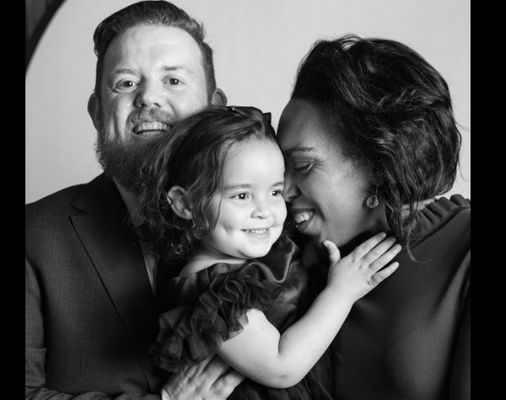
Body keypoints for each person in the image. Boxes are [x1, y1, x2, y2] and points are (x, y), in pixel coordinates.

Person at [25, 2, 242, 399]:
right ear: (97, 112)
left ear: (214, 107)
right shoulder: (33, 236)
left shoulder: (265, 221)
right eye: (125, 83)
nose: (147, 98)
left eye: (174, 80)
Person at [132, 105, 402, 400]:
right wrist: (341, 292)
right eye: (242, 195)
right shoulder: (211, 290)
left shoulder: (261, 253)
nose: (265, 211)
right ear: (185, 204)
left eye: (274, 192)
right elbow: (281, 366)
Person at [277, 35, 470, 400]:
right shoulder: (289, 263)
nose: (283, 190)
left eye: (302, 165)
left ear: (380, 161)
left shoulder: (463, 252)